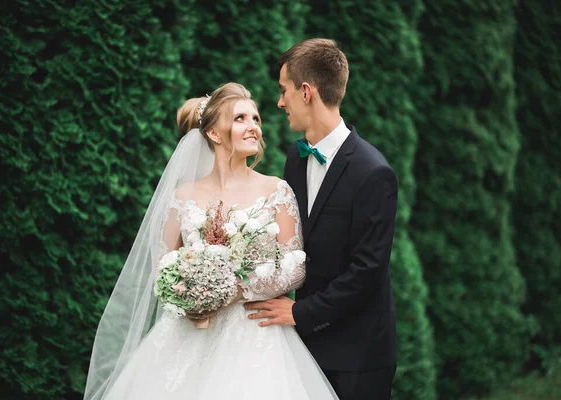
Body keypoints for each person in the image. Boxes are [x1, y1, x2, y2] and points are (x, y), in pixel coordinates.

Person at [83, 82, 338, 399]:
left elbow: (295, 267)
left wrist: (234, 289)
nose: (253, 127)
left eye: (255, 119)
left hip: (255, 334)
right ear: (215, 134)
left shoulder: (276, 191)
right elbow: (162, 266)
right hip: (187, 333)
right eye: (240, 119)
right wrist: (189, 293)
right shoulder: (181, 197)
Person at [245, 38, 399, 400]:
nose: (280, 102)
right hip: (301, 346)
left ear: (306, 91)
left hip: (357, 355)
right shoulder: (294, 159)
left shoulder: (374, 172)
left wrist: (301, 312)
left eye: (283, 91)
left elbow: (367, 271)